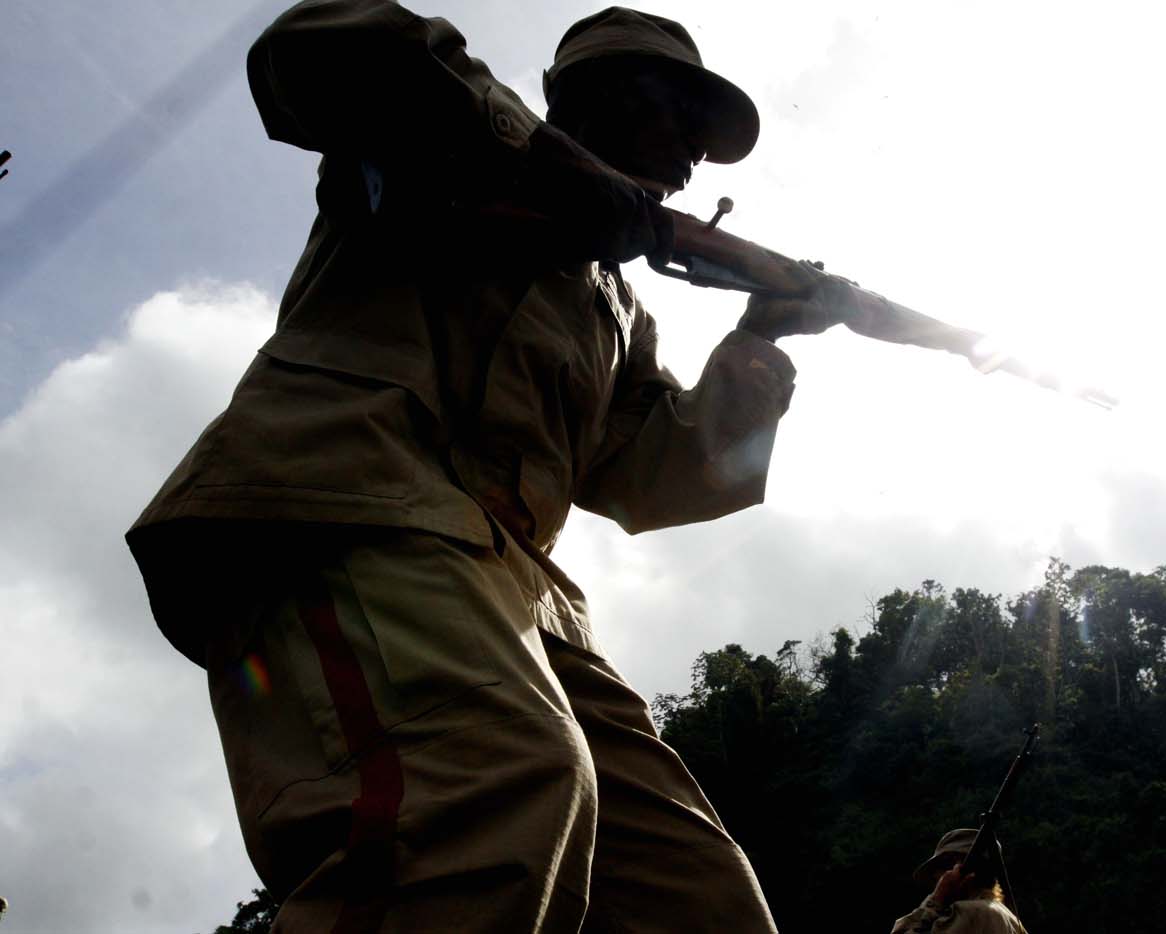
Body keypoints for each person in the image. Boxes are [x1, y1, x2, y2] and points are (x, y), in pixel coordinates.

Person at [127, 1, 848, 931]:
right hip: (347, 501)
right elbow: (323, 45)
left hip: (517, 595)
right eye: (681, 117)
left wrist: (758, 335)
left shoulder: (617, 308)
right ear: (598, 97)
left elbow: (655, 479)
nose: (692, 159)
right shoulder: (442, 136)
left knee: (695, 898)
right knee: (489, 785)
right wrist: (565, 172)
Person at [890, 829, 1030, 934]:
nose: (935, 877)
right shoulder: (1011, 920)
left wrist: (936, 900)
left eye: (938, 867)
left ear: (956, 868)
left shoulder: (968, 912)